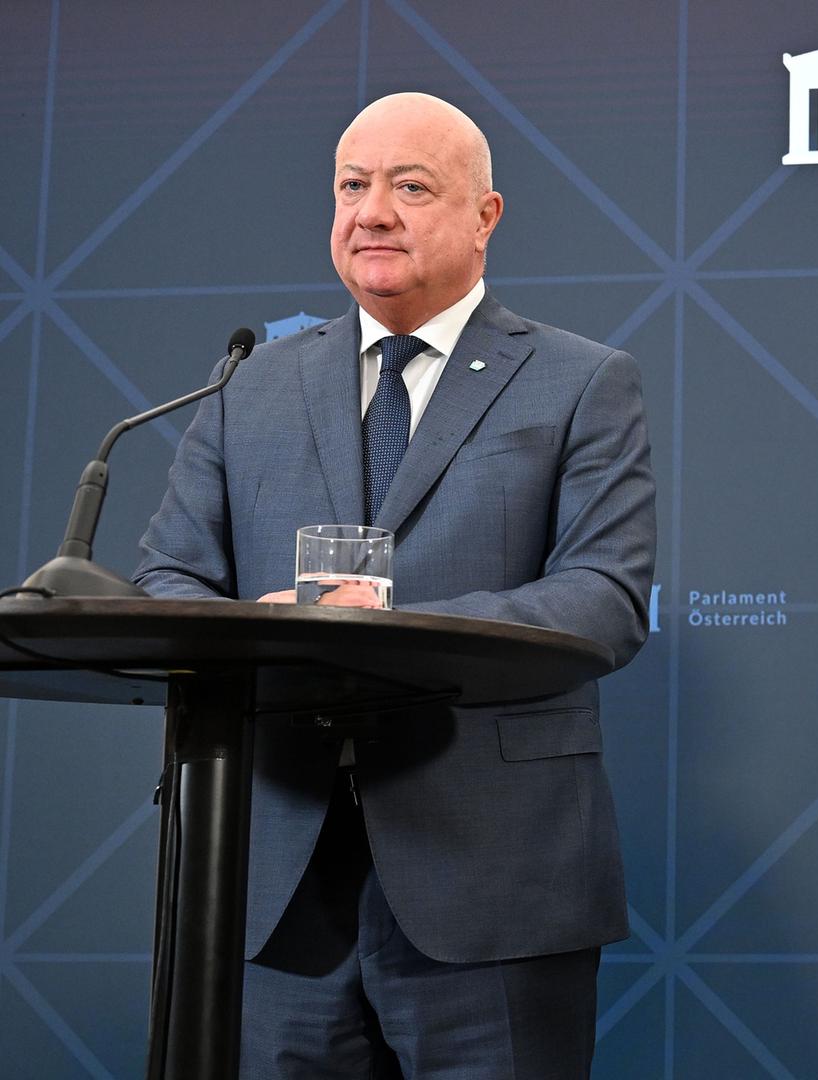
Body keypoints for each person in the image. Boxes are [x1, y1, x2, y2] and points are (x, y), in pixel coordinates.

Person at [135, 92, 655, 1077]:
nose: (372, 211)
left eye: (410, 187)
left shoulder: (581, 382)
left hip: (492, 883)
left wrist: (390, 632)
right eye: (352, 186)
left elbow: (605, 596)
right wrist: (261, 630)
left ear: (485, 216)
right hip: (267, 886)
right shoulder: (248, 385)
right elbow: (168, 577)